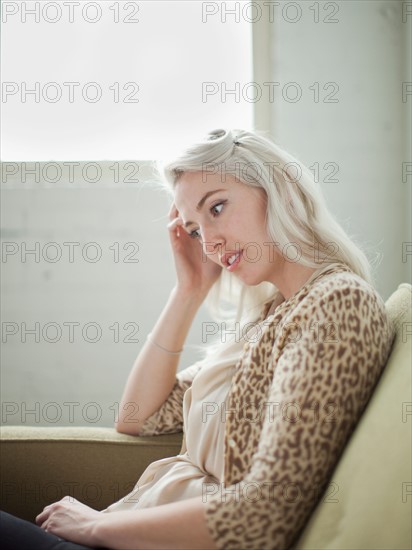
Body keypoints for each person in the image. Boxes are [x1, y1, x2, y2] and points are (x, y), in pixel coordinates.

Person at [1, 129, 396, 549]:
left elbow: (266, 511)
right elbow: (137, 417)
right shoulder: (273, 313)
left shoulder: (336, 303)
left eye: (217, 208)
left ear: (277, 186)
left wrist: (93, 526)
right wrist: (188, 291)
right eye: (193, 230)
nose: (208, 242)